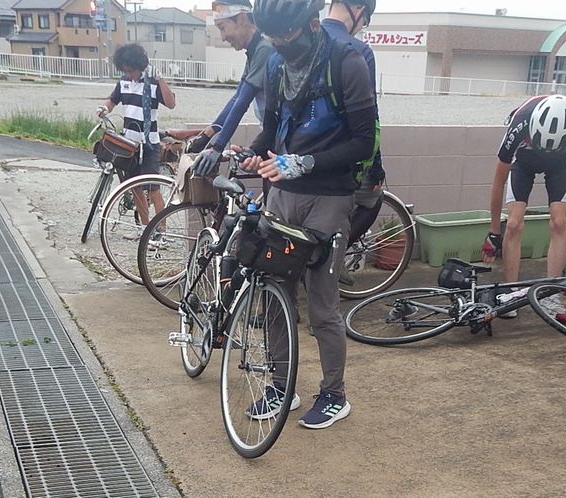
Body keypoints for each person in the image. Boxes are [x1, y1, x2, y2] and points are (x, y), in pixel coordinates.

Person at [235, 0, 377, 429]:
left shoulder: (347, 61)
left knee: (321, 304)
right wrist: (251, 153)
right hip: (283, 193)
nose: (280, 43)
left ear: (313, 24)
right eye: (272, 37)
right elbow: (272, 126)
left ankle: (334, 394)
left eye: (287, 35)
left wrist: (307, 163)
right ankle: (281, 387)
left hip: (329, 196)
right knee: (273, 292)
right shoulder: (277, 64)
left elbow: (364, 141)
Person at [482, 95, 566, 315]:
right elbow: (498, 183)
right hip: (523, 159)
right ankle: (511, 292)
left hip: (560, 162)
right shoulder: (520, 121)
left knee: (559, 221)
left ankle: (552, 294)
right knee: (514, 223)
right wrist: (494, 232)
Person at [321, 0, 383, 286]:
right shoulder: (358, 51)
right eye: (366, 19)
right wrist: (377, 165)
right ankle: (334, 259)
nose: (363, 26)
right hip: (343, 158)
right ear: (358, 9)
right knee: (372, 200)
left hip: (294, 157)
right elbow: (370, 120)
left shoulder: (304, 42)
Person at [95, 43, 176, 241]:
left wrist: (160, 78)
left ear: (140, 66)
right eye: (125, 71)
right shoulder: (123, 81)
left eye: (131, 70)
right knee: (135, 187)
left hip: (149, 143)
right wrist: (104, 109)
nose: (129, 74)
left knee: (153, 188)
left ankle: (161, 233)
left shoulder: (152, 82)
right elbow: (112, 101)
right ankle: (144, 229)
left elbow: (171, 103)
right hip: (129, 143)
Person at [189, 0, 275, 174]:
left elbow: (243, 102)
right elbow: (237, 97)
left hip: (283, 136)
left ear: (242, 19)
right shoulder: (255, 50)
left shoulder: (264, 49)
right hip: (272, 132)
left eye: (222, 28)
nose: (222, 37)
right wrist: (208, 134)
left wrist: (217, 147)